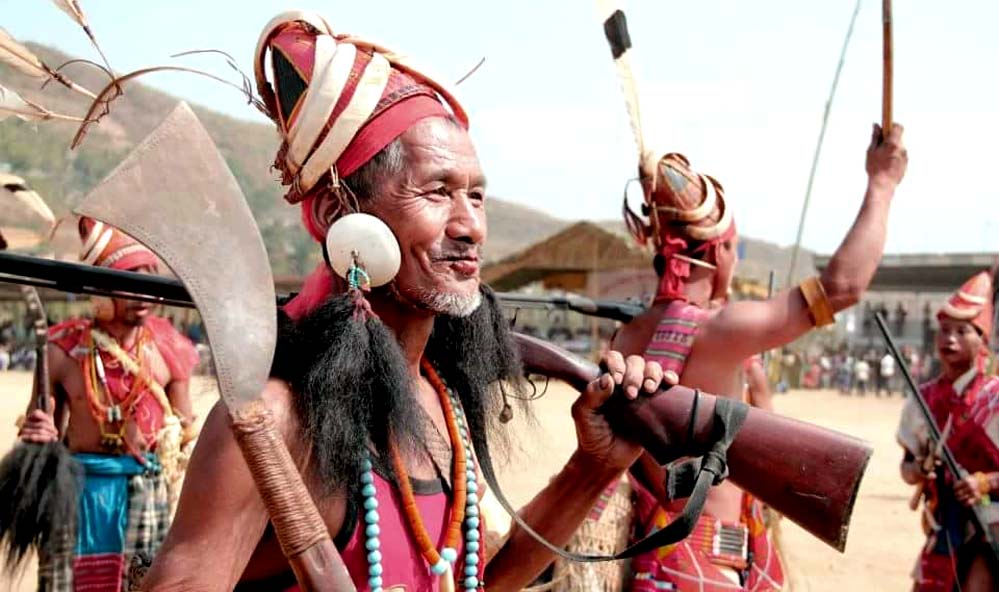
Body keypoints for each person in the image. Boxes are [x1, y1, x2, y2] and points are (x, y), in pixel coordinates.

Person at [143, 12, 664, 590]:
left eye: (476, 195)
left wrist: (592, 470)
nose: (470, 226)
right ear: (338, 215)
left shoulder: (442, 404)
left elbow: (475, 583)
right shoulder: (277, 422)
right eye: (437, 191)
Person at [611, 121, 907, 590]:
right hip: (711, 564)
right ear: (722, 249)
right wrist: (883, 183)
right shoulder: (722, 330)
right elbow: (843, 287)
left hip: (656, 563)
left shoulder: (625, 336)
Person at [15, 218, 198, 591]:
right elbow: (41, 427)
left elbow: (185, 431)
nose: (145, 295)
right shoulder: (62, 348)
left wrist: (175, 438)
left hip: (144, 491)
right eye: (132, 281)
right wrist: (39, 432)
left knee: (142, 583)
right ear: (100, 291)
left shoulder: (171, 348)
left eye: (151, 280)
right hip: (75, 490)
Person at [897, 270, 999, 591]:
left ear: (981, 340)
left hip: (992, 528)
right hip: (944, 527)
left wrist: (985, 481)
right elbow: (907, 468)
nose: (949, 339)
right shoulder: (923, 399)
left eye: (961, 331)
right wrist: (919, 468)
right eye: (943, 330)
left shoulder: (995, 397)